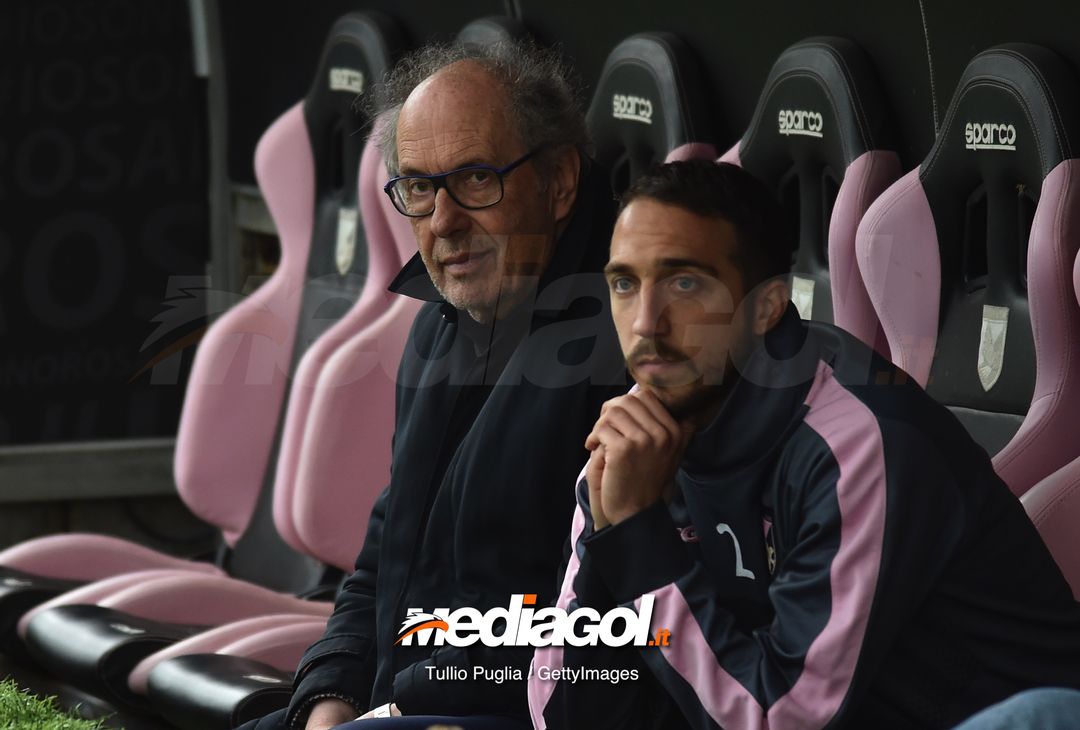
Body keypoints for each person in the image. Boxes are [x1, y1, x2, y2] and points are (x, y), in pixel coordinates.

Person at [528, 159, 1080, 729]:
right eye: (624, 283)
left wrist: (640, 539)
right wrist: (610, 536)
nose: (646, 322)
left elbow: (782, 720)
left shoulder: (857, 443)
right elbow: (557, 711)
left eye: (684, 282)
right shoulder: (635, 441)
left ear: (766, 306)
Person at [240, 39, 627, 730]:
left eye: (477, 178)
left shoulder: (631, 348)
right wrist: (333, 696)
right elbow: (384, 558)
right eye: (419, 187)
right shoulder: (437, 327)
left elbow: (619, 633)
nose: (444, 222)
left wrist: (405, 706)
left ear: (561, 180)